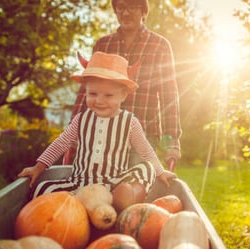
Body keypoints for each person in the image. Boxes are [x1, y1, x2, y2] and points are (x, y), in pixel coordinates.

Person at [18, 52, 177, 210]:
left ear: (123, 95)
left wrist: (160, 171)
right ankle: (74, 209)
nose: (99, 100)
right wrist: (38, 167)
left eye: (108, 95)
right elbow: (60, 144)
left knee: (146, 167)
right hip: (80, 184)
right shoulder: (81, 120)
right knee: (42, 188)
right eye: (93, 93)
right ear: (85, 91)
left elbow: (145, 150)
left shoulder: (130, 122)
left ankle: (128, 197)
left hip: (114, 184)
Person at [64, 0, 181, 171]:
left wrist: (172, 139)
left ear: (143, 11)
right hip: (103, 132)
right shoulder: (103, 45)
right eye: (120, 7)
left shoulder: (159, 45)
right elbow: (87, 89)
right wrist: (73, 129)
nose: (125, 13)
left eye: (132, 7)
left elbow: (168, 93)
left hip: (143, 132)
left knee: (135, 188)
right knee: (99, 186)